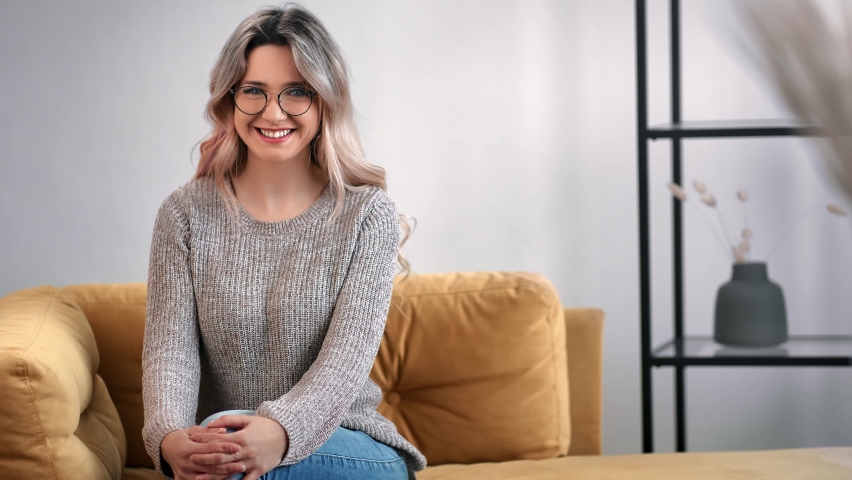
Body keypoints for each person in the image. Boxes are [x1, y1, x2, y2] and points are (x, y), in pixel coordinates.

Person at [141, 3, 426, 480]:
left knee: (227, 449)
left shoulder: (367, 215)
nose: (273, 112)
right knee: (224, 446)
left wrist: (280, 432)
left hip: (350, 448)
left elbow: (344, 365)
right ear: (230, 99)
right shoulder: (183, 214)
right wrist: (169, 438)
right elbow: (171, 353)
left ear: (324, 100)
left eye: (297, 92)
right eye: (254, 91)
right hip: (229, 444)